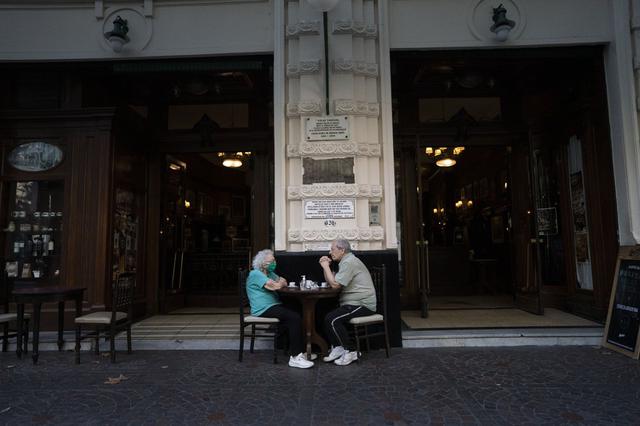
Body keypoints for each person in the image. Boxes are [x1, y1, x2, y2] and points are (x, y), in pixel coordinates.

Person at [246, 249, 314, 369]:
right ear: (262, 263)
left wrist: (279, 283)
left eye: (274, 260)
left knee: (296, 314)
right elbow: (276, 286)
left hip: (273, 306)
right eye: (271, 261)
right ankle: (295, 358)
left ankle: (299, 352)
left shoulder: (269, 274)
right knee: (294, 318)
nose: (274, 263)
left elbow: (284, 281)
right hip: (262, 309)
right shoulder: (256, 274)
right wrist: (278, 284)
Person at [319, 239, 377, 366]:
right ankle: (339, 347)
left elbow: (334, 285)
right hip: (352, 302)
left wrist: (325, 266)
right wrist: (326, 267)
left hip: (363, 303)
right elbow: (332, 281)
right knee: (328, 317)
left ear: (342, 250)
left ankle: (351, 351)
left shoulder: (349, 262)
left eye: (332, 249)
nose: (330, 252)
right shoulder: (346, 261)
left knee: (332, 319)